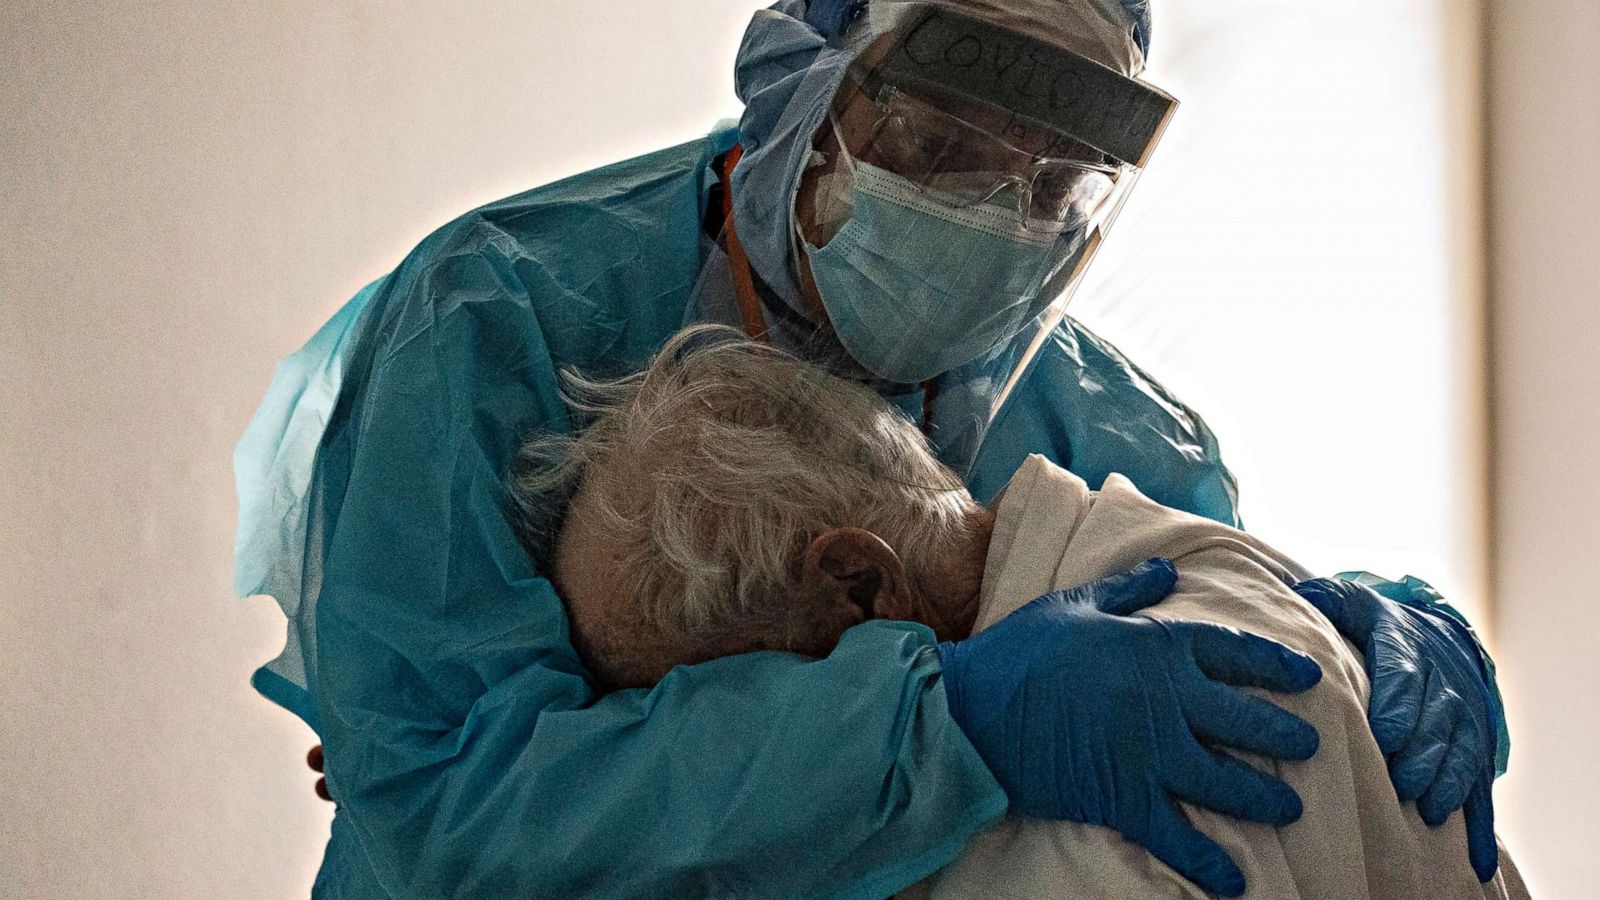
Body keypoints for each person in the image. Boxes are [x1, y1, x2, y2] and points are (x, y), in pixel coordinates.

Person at [238, 1, 1507, 896]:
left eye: (1056, 182)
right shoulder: (498, 321)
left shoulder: (1116, 430)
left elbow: (1217, 671)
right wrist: (930, 726)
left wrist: (1337, 622)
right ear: (805, 84)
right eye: (943, 145)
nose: (995, 214)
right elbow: (451, 811)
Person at [509, 324, 1527, 899]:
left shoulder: (1149, 769)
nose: (723, 763)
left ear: (860, 588)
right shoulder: (1161, 555)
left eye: (702, 706)